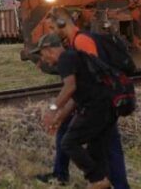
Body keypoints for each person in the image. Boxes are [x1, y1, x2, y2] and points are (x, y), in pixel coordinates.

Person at [36, 7, 131, 189]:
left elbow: (92, 80)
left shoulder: (82, 42)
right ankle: (65, 174)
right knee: (90, 143)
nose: (52, 32)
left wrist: (57, 110)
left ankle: (111, 183)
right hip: (95, 102)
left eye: (52, 28)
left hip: (102, 103)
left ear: (62, 24)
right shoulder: (74, 43)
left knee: (108, 146)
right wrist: (62, 113)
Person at [32, 34, 114, 189]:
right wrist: (60, 116)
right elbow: (76, 97)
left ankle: (98, 179)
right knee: (92, 147)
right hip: (104, 105)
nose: (43, 60)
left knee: (69, 143)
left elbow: (70, 88)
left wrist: (51, 110)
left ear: (48, 49)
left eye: (42, 55)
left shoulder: (65, 59)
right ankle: (96, 180)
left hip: (96, 107)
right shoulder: (73, 56)